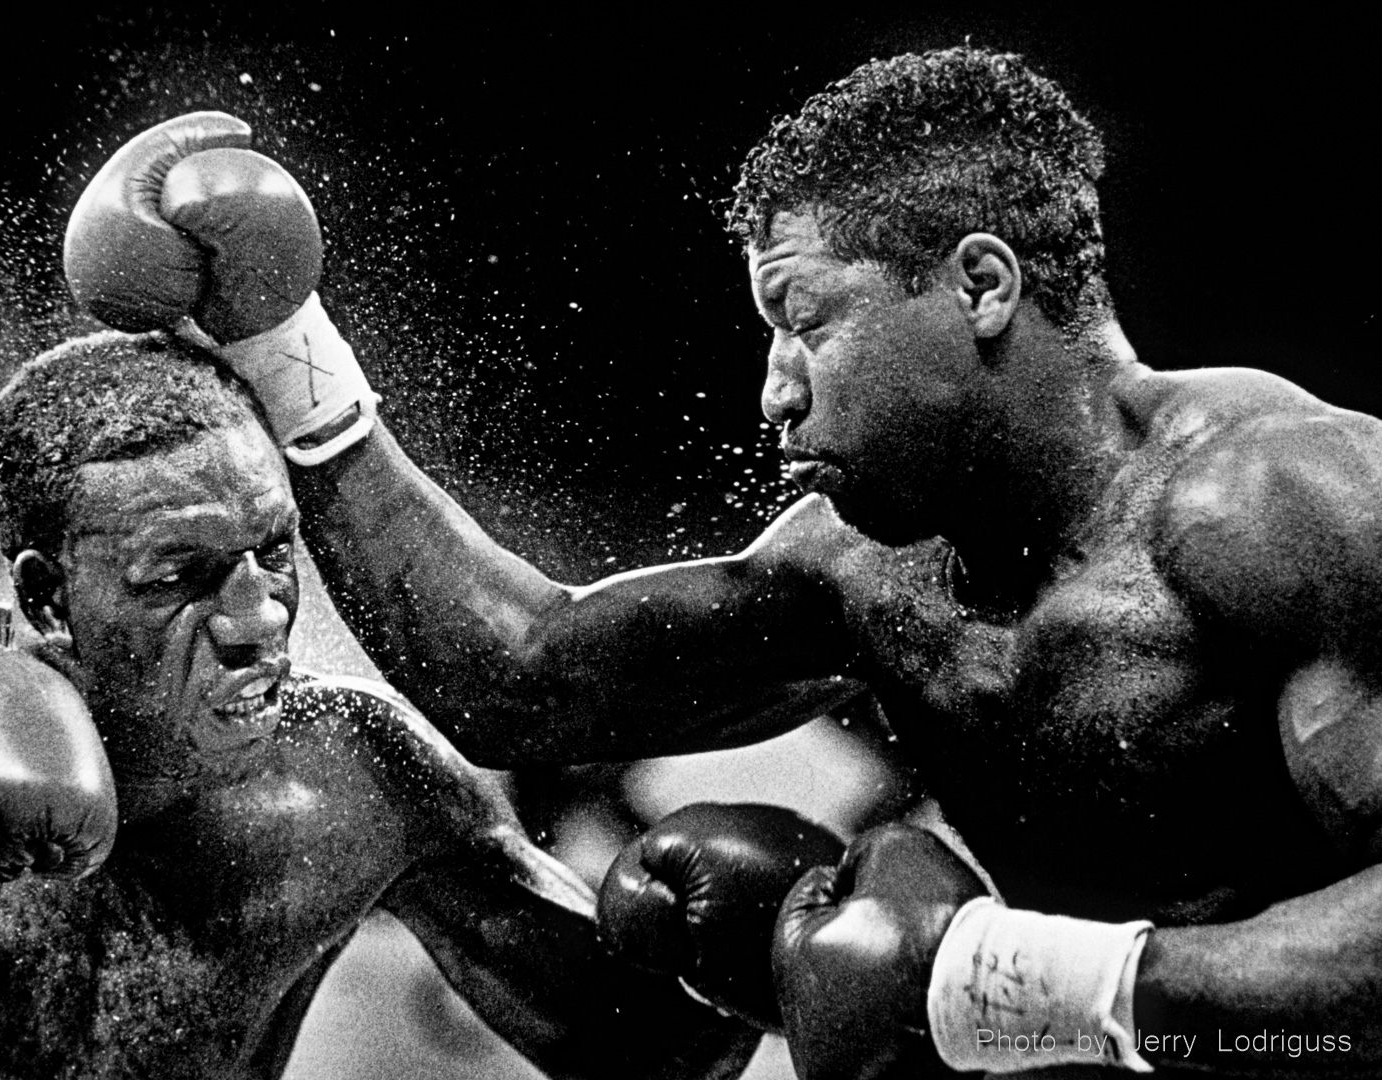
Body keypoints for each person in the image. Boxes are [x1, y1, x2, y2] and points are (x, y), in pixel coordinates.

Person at [71, 46, 1382, 1077]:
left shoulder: (1291, 504)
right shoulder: (865, 572)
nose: (773, 392)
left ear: (978, 285)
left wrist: (997, 978)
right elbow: (519, 676)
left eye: (803, 319)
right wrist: (280, 339)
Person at [0, 332, 762, 1079]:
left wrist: (755, 949)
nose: (256, 614)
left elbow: (646, 1054)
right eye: (181, 575)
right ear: (43, 595)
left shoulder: (356, 775)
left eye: (273, 551)